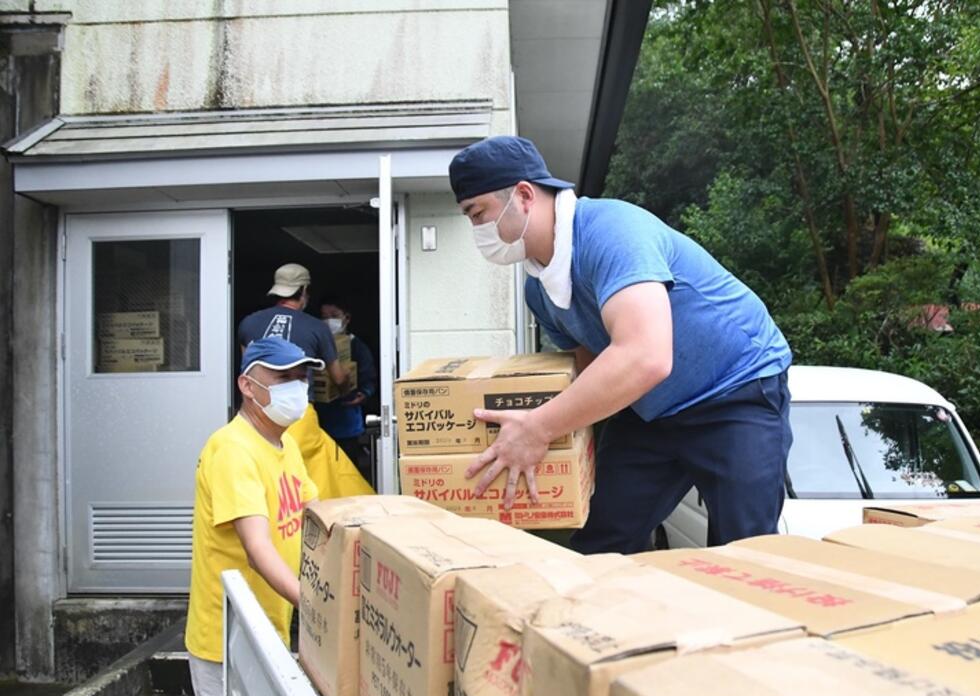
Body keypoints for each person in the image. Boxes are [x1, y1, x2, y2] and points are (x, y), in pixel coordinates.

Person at [449, 136, 793, 554]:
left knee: (744, 550)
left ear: (523, 195)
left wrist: (539, 428)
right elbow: (588, 364)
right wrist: (563, 445)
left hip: (734, 392)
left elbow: (645, 356)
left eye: (477, 213)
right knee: (602, 539)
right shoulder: (539, 291)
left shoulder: (613, 232)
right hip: (647, 409)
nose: (477, 230)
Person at [185, 338, 321, 696]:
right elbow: (256, 549)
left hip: (269, 625)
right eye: (282, 376)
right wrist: (318, 608)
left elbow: (316, 514)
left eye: (301, 376)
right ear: (247, 385)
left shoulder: (285, 442)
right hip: (229, 639)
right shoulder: (232, 449)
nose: (296, 387)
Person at [238, 263, 374, 498]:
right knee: (321, 479)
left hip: (256, 416)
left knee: (265, 479)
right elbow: (339, 377)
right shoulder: (315, 327)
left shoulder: (248, 324)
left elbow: (248, 370)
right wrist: (345, 390)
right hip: (298, 416)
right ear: (303, 291)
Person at [316, 294, 379, 481]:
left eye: (334, 315)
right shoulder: (315, 344)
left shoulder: (357, 346)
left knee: (347, 472)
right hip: (320, 422)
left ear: (347, 318)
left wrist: (364, 395)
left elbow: (370, 379)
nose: (328, 321)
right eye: (324, 316)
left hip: (347, 421)